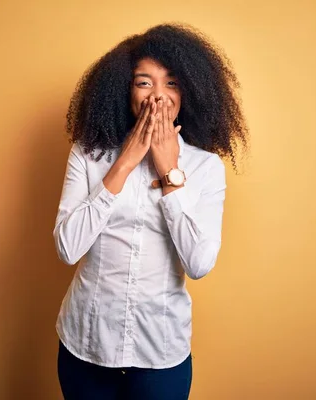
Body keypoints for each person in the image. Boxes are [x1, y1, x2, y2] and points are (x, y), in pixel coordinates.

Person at [52, 23, 248, 400]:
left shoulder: (206, 167)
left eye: (171, 83)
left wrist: (169, 173)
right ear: (124, 91)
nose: (158, 96)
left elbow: (199, 263)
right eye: (144, 82)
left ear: (189, 90)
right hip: (85, 344)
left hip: (161, 351)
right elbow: (67, 247)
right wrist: (124, 163)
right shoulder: (89, 154)